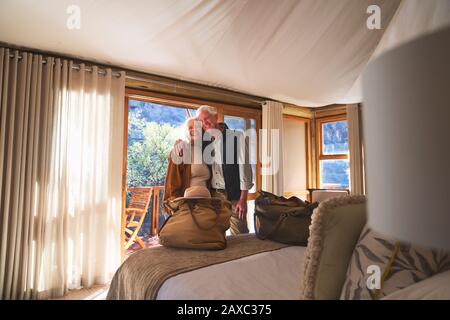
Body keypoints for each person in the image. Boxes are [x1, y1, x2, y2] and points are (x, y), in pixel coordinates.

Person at [196, 105, 253, 235]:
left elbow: (245, 168)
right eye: (201, 122)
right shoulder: (205, 142)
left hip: (234, 196)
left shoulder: (236, 136)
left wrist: (243, 199)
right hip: (214, 197)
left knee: (240, 235)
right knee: (216, 235)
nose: (204, 123)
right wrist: (179, 144)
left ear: (215, 117)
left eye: (206, 119)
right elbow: (189, 144)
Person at [163, 117, 212, 211]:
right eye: (190, 127)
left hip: (206, 204)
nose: (194, 130)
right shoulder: (180, 150)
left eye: (197, 127)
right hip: (187, 206)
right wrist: (175, 207)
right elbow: (171, 185)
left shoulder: (205, 151)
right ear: (186, 131)